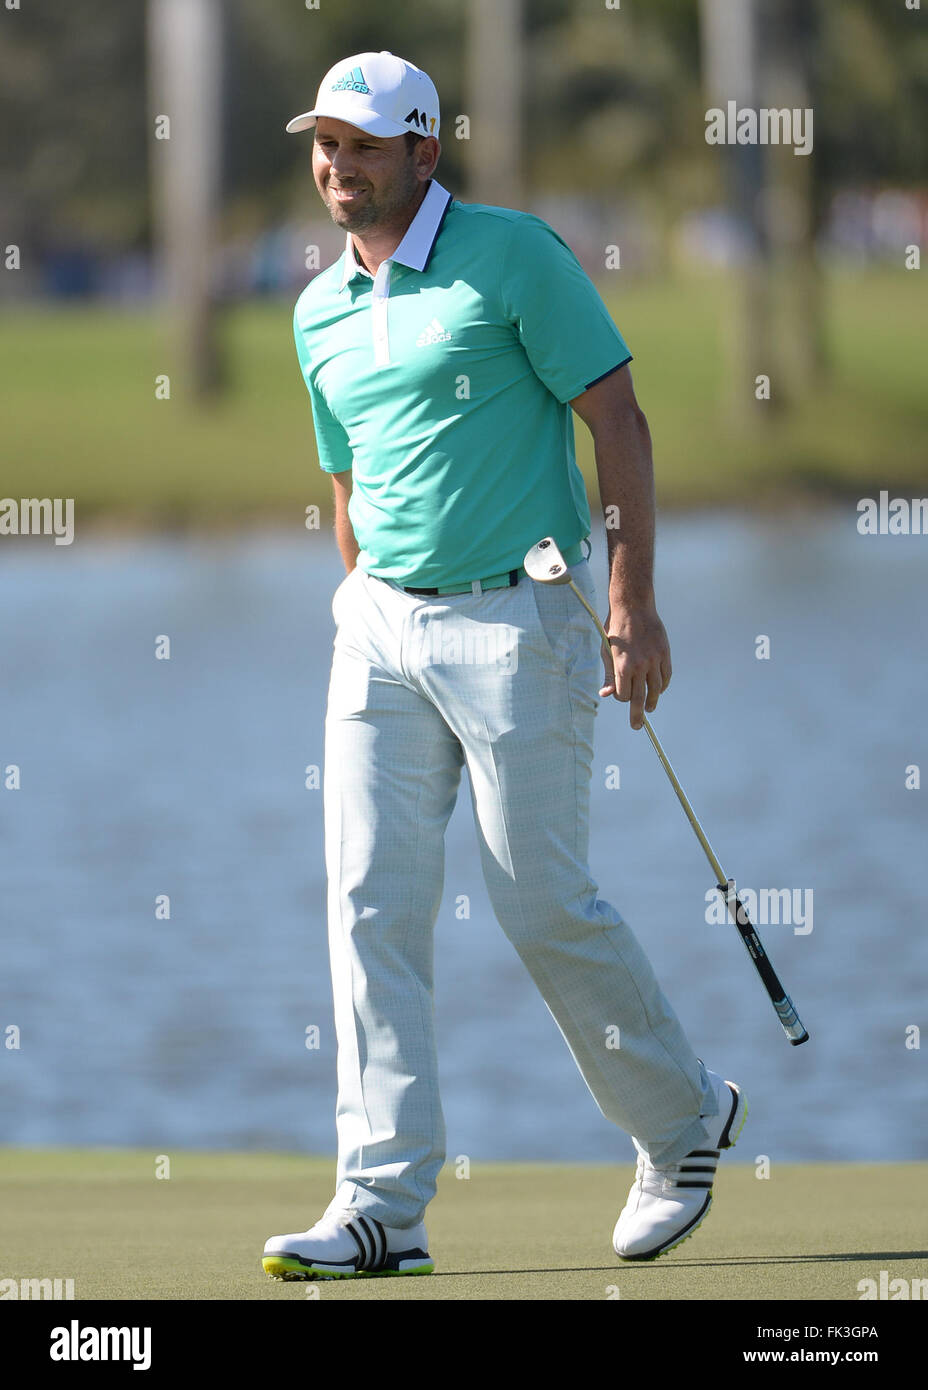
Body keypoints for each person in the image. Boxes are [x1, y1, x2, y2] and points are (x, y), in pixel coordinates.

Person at [262, 51, 746, 1281]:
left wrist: (630, 602)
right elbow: (347, 478)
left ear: (425, 150)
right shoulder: (317, 307)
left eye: (363, 145)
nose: (338, 164)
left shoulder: (514, 254)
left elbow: (617, 418)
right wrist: (360, 598)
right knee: (368, 902)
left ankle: (682, 1121)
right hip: (376, 627)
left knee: (539, 898)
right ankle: (383, 1204)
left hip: (517, 621)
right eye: (326, 143)